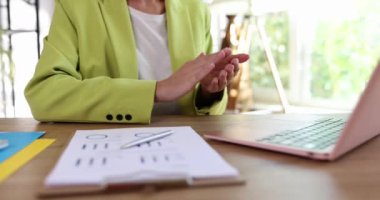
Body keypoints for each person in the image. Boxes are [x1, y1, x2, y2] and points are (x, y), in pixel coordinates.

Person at [24, 0, 249, 123]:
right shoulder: (77, 6)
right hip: (106, 148)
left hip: (186, 150)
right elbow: (44, 95)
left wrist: (208, 92)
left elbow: (210, 110)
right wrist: (157, 90)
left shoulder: (196, 9)